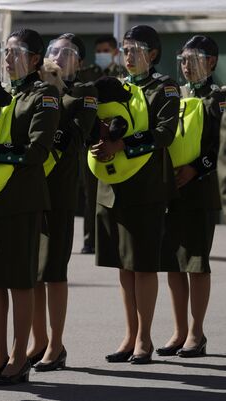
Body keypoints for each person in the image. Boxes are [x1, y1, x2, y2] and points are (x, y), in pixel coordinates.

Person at [0, 28, 59, 385]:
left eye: (15, 52)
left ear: (35, 60)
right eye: (5, 52)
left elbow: (37, 152)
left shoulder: (44, 96)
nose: (7, 58)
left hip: (21, 199)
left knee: (19, 280)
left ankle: (20, 358)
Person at [90, 25, 179, 364]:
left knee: (143, 265)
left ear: (153, 54)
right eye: (124, 50)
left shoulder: (164, 87)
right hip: (114, 187)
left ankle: (144, 338)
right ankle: (129, 335)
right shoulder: (117, 86)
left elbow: (164, 133)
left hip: (146, 187)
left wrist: (122, 144)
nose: (127, 56)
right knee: (123, 266)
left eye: (134, 50)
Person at [28, 33, 98, 372]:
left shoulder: (83, 94)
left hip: (59, 192)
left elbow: (75, 135)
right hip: (26, 191)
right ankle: (38, 340)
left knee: (54, 270)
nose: (56, 58)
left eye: (65, 53)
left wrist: (52, 94)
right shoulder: (30, 93)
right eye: (52, 51)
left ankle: (56, 345)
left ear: (79, 62)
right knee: (32, 273)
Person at [157, 35, 224, 358]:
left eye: (193, 59)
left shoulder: (219, 97)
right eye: (182, 59)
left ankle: (197, 333)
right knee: (173, 262)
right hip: (171, 188)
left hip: (200, 187)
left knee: (196, 263)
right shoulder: (175, 94)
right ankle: (179, 329)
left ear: (211, 62)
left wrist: (196, 168)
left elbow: (219, 145)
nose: (186, 65)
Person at [79, 34, 126, 255]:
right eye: (98, 51)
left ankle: (116, 236)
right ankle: (90, 239)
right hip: (93, 140)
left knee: (117, 190)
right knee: (91, 192)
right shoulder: (87, 74)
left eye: (105, 51)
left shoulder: (123, 74)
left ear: (116, 52)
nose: (101, 55)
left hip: (117, 139)